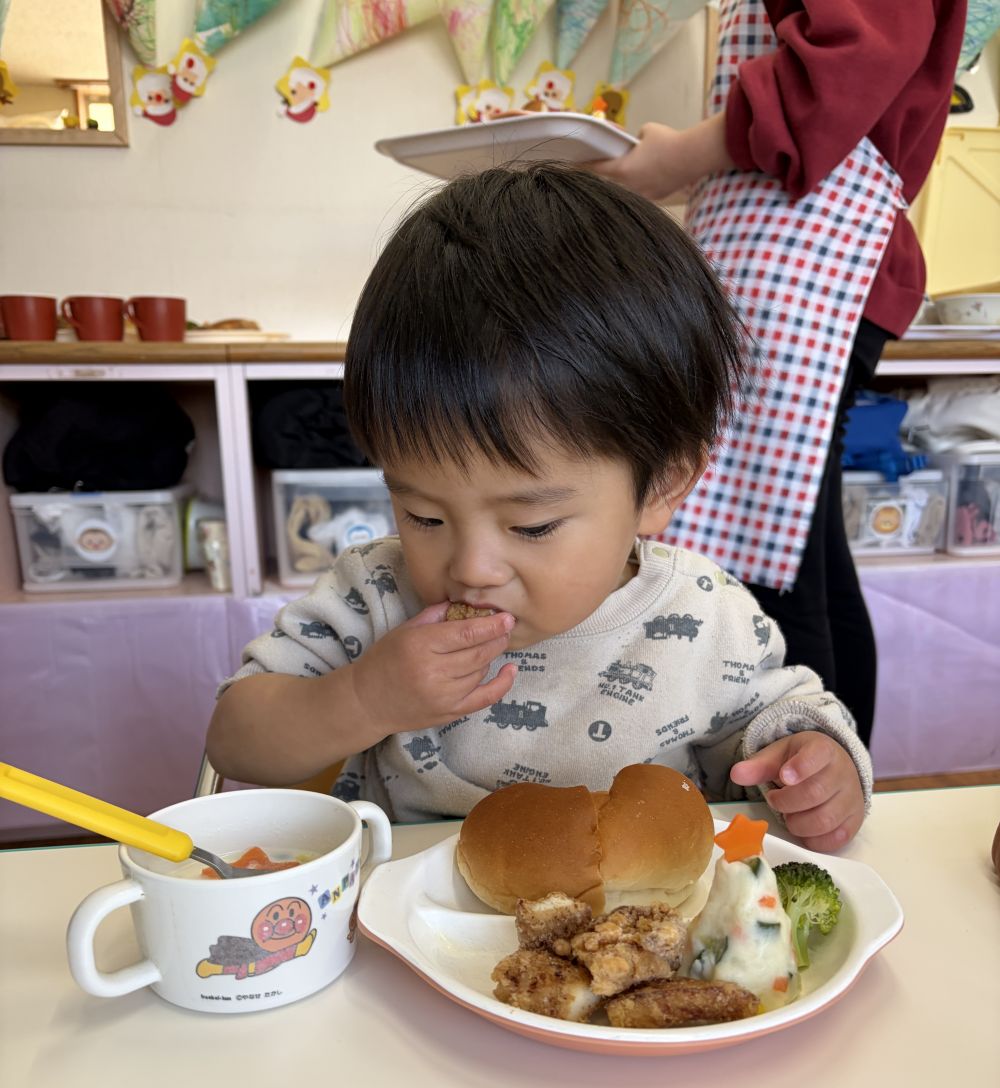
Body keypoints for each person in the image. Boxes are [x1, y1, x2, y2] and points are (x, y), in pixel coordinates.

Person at [207, 165, 870, 853]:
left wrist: (816, 765)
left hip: (635, 939)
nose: (472, 568)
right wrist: (365, 700)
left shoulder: (704, 617)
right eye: (424, 516)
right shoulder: (376, 595)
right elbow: (235, 741)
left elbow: (785, 719)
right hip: (413, 933)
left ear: (662, 487)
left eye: (532, 526)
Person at [592, 0, 967, 746]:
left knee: (765, 562)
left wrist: (683, 154)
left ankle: (799, 790)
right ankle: (837, 776)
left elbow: (852, 60)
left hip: (805, 263)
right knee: (801, 552)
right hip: (782, 261)